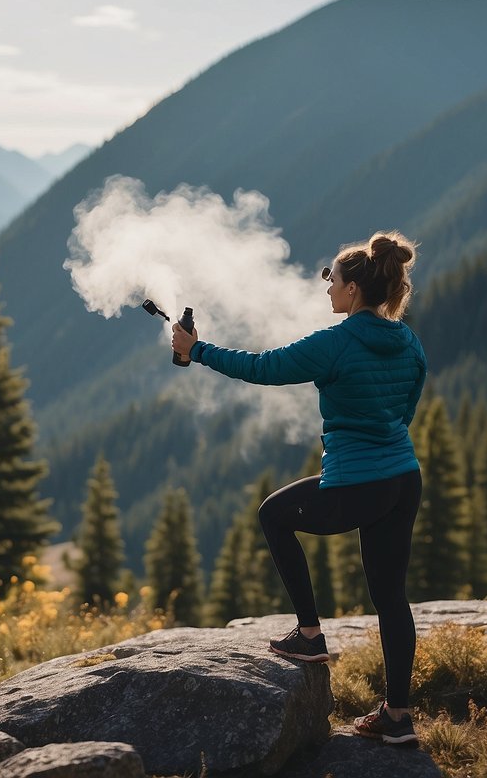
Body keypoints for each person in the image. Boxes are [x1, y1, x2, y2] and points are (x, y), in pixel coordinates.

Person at [171, 230, 426, 746]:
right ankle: (398, 715)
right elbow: (404, 410)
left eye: (331, 277)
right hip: (403, 479)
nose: (326, 285)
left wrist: (195, 350)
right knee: (391, 599)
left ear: (353, 289)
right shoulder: (409, 341)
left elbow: (262, 368)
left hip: (358, 482)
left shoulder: (335, 342)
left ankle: (309, 635)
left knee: (274, 514)